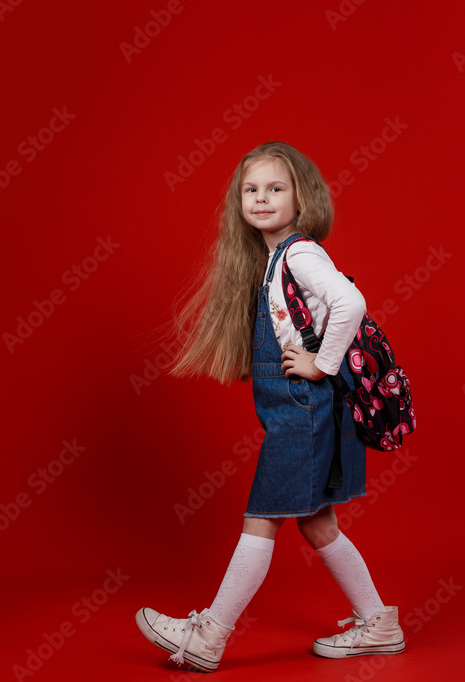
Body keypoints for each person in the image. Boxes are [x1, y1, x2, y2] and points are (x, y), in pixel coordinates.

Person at [135, 141, 405, 672]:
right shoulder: (275, 257)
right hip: (305, 412)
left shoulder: (300, 253)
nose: (260, 199)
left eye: (275, 188)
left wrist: (319, 365)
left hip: (303, 410)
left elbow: (350, 303)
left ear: (300, 198)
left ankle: (209, 635)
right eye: (250, 190)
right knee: (317, 523)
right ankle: (378, 623)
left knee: (261, 518)